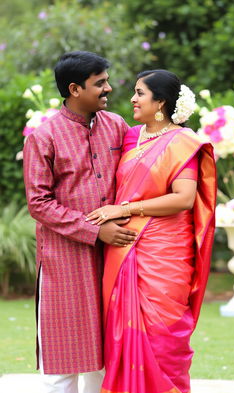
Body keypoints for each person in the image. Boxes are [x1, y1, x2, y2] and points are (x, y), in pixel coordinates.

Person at [86, 69, 217, 393]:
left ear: (160, 102)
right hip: (124, 248)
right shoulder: (129, 137)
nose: (132, 98)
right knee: (120, 334)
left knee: (163, 335)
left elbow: (184, 198)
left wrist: (125, 209)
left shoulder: (183, 142)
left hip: (165, 252)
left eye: (140, 93)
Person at [23, 51, 137, 393]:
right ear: (75, 89)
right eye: (99, 83)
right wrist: (94, 229)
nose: (108, 89)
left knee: (108, 355)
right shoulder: (43, 137)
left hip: (114, 257)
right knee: (64, 358)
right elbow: (39, 203)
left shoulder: (117, 126)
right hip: (64, 260)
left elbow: (139, 174)